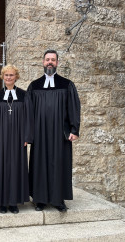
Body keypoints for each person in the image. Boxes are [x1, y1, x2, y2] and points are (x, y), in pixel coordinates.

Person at [27, 50, 81, 212]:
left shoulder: (67, 84)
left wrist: (74, 129)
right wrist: (29, 134)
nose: (50, 62)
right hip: (40, 133)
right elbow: (28, 112)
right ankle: (40, 199)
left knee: (59, 164)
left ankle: (58, 200)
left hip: (60, 133)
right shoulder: (34, 86)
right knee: (40, 164)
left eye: (53, 60)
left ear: (57, 63)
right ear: (43, 62)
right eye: (47, 59)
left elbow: (74, 108)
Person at [0, 64, 34, 214]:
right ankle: (2, 202)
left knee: (16, 167)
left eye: (11, 75)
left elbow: (29, 117)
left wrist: (27, 136)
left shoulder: (24, 95)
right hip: (0, 137)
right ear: (2, 77)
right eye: (6, 75)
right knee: (1, 166)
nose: (8, 77)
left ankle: (14, 202)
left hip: (18, 137)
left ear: (16, 77)